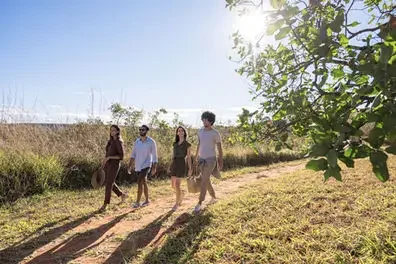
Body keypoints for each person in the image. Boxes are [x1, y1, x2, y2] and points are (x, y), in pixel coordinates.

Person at [193, 111, 223, 213]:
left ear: (211, 121)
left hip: (211, 160)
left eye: (206, 120)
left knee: (203, 180)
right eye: (203, 119)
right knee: (206, 180)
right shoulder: (200, 131)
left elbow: (219, 149)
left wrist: (220, 161)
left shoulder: (215, 133)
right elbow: (199, 144)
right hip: (201, 159)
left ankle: (199, 203)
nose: (204, 122)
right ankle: (214, 197)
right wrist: (196, 157)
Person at [127, 124, 158, 208]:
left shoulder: (151, 142)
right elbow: (133, 155)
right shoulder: (137, 142)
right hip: (138, 165)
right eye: (140, 129)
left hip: (147, 165)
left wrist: (154, 168)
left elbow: (155, 156)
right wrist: (129, 166)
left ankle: (137, 202)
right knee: (144, 182)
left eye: (143, 130)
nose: (141, 131)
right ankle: (147, 200)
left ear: (146, 131)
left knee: (140, 181)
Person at [100, 124, 128, 212]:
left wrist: (109, 158)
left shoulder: (119, 141)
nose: (112, 132)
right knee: (107, 182)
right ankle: (122, 195)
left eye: (114, 130)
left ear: (118, 131)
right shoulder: (110, 141)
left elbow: (121, 156)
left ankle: (106, 204)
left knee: (109, 184)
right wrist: (105, 161)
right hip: (107, 164)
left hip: (114, 165)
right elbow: (107, 153)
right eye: (111, 130)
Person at [169, 126, 193, 211]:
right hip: (174, 163)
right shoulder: (174, 144)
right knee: (173, 185)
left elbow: (189, 157)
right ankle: (181, 193)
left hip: (181, 164)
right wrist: (171, 165)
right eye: (179, 131)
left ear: (184, 133)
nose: (180, 132)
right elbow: (173, 155)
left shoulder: (187, 144)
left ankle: (176, 203)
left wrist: (190, 168)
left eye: (182, 131)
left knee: (177, 185)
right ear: (177, 133)